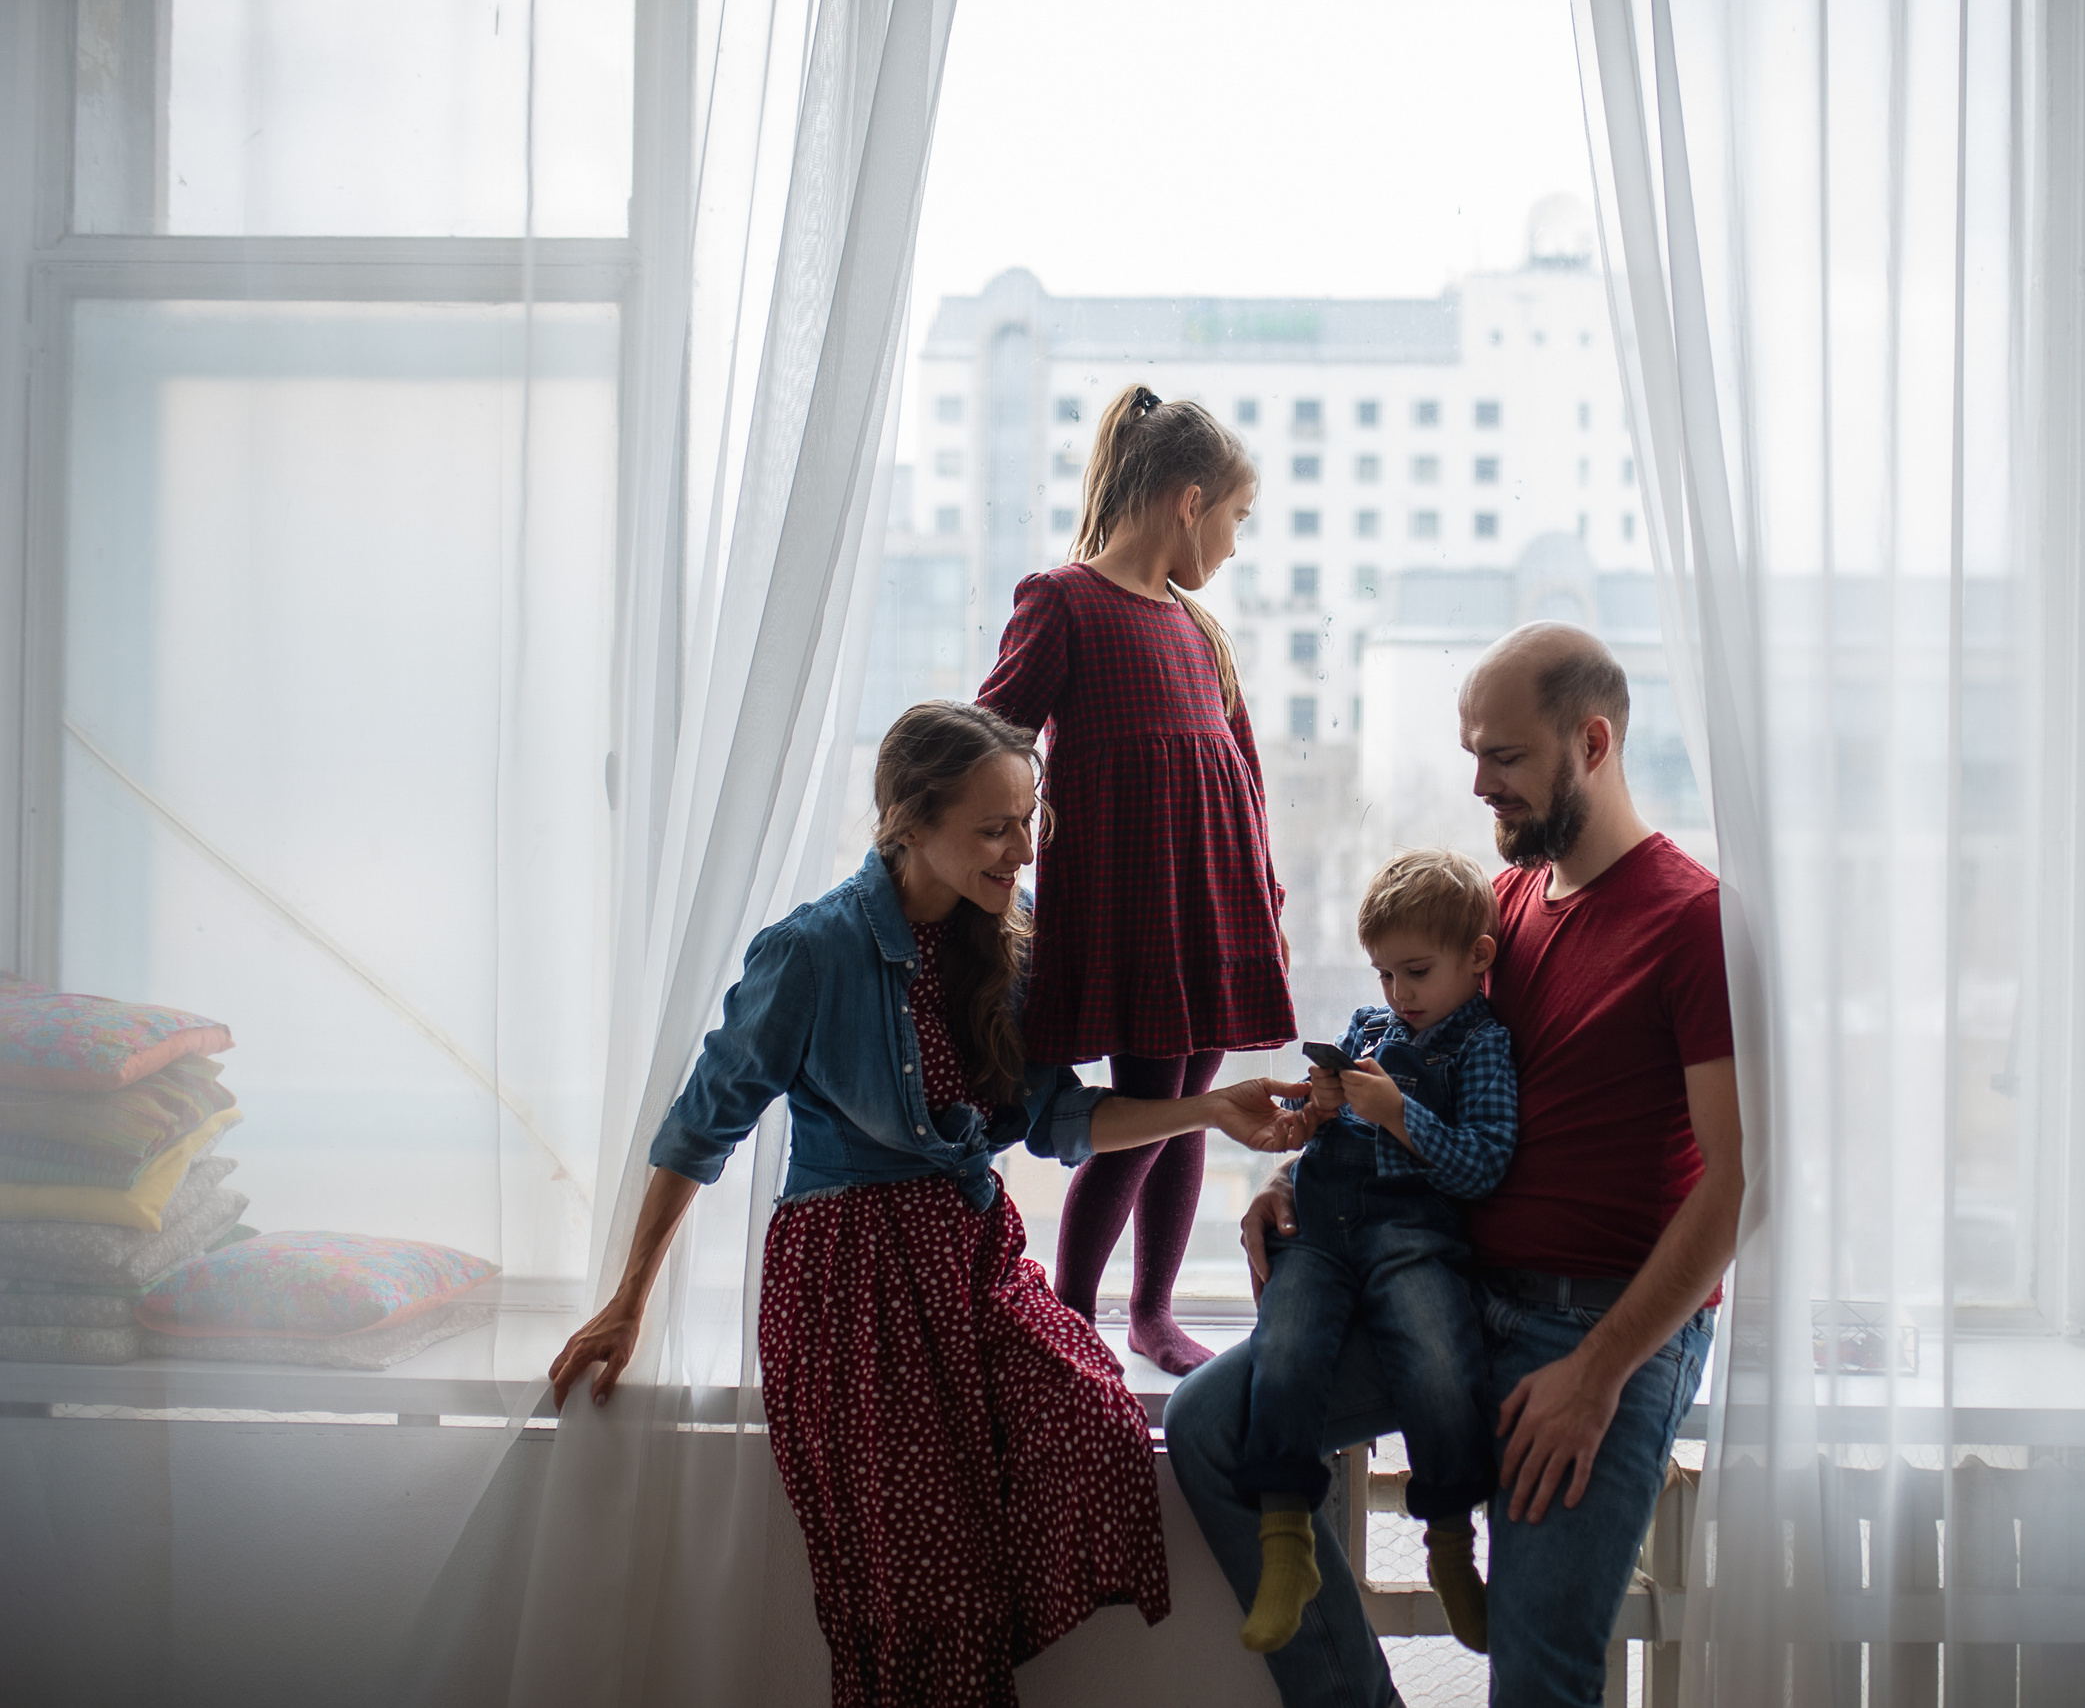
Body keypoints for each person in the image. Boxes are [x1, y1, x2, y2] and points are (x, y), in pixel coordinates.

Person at [549, 702, 1306, 1708]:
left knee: (1095, 1427)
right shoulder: (811, 951)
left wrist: (1209, 1107)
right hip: (849, 1284)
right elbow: (701, 1126)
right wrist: (630, 1295)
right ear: (909, 819)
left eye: (1028, 819)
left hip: (969, 1259)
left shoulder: (1010, 949)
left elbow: (1058, 1120)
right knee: (920, 1590)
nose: (1019, 849)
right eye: (993, 826)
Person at [1166, 624, 1744, 1707]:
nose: (1479, 783)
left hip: (1593, 1328)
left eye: (1506, 758)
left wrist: (1598, 1372)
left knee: (1535, 1673)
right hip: (1452, 1287)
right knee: (1208, 1425)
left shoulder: (1692, 920)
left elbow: (1736, 1184)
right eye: (1472, 753)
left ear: (1593, 742)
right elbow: (1410, 1087)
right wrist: (1296, 1183)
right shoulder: (1502, 912)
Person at [977, 383, 1294, 1377]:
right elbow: (990, 741)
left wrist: (1269, 904)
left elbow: (1241, 777)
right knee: (1156, 1095)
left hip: (1213, 900)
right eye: (1236, 518)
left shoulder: (1199, 631)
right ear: (1188, 502)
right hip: (1133, 906)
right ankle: (1073, 1313)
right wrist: (989, 867)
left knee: (1192, 1090)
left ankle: (1151, 1309)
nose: (1236, 546)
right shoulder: (1064, 602)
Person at [1236, 849, 1518, 1656]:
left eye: (1417, 973)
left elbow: (1482, 1163)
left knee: (1438, 1357)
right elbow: (1322, 1138)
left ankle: (1451, 1545)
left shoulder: (1482, 1046)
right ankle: (1286, 1541)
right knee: (1281, 1350)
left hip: (1413, 1230)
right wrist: (1324, 1106)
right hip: (1324, 1226)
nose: (1399, 994)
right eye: (1385, 974)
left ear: (1478, 958)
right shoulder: (1372, 1025)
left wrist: (1400, 1114)